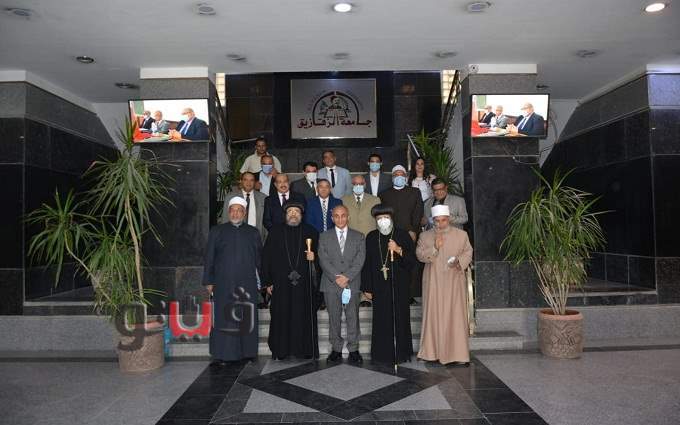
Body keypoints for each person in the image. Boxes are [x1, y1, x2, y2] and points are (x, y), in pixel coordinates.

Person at [203, 197, 262, 364]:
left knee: (247, 315)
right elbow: (209, 257)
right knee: (225, 317)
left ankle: (248, 352)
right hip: (223, 282)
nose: (236, 213)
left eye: (239, 210)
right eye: (233, 210)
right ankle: (224, 353)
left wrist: (263, 281)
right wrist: (208, 281)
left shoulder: (253, 232)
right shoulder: (217, 231)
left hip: (247, 282)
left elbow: (259, 259)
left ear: (244, 213)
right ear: (228, 212)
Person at [416, 205, 473, 365]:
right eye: (437, 220)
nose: (440, 224)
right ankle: (431, 353)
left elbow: (468, 252)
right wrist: (435, 248)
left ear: (449, 219)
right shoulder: (425, 236)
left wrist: (458, 261)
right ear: (433, 220)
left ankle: (458, 355)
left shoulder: (461, 235)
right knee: (432, 315)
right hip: (433, 282)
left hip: (454, 281)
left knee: (455, 316)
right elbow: (420, 255)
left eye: (443, 220)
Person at [262, 201, 320, 360]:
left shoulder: (311, 232)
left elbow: (321, 259)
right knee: (282, 316)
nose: (293, 214)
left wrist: (314, 258)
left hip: (304, 285)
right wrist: (268, 282)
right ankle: (281, 351)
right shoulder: (275, 232)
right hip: (281, 284)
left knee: (303, 316)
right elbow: (266, 258)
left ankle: (305, 350)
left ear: (301, 215)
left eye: (296, 211)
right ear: (285, 214)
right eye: (290, 211)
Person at [361, 205, 416, 364]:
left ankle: (401, 353)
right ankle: (381, 354)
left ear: (392, 219)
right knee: (381, 320)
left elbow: (412, 262)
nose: (383, 221)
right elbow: (367, 264)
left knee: (400, 318)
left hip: (399, 285)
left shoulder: (402, 235)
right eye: (379, 218)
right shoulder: (371, 237)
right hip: (378, 286)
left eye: (386, 218)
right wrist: (367, 287)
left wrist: (398, 250)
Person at [318, 205, 366, 364]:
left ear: (348, 217)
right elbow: (323, 259)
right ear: (332, 218)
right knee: (334, 317)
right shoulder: (324, 236)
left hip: (352, 282)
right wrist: (337, 277)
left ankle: (354, 349)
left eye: (343, 215)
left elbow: (360, 260)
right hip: (331, 284)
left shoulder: (359, 236)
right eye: (336, 216)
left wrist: (347, 277)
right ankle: (336, 349)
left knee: (353, 316)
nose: (340, 219)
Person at [380, 165, 424, 304]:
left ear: (406, 177)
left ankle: (410, 294)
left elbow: (418, 212)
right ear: (392, 177)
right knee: (393, 263)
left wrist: (413, 230)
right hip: (391, 233)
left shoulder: (414, 192)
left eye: (402, 174)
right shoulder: (384, 194)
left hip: (409, 233)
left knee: (410, 262)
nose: (399, 177)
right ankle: (393, 291)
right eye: (396, 175)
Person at [343, 175, 381, 308]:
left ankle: (366, 297)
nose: (358, 186)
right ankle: (352, 295)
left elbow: (378, 220)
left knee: (368, 268)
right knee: (351, 268)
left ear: (365, 184)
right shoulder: (344, 200)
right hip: (350, 240)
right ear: (351, 185)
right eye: (355, 183)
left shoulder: (375, 200)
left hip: (369, 239)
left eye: (360, 183)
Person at [222, 172, 267, 241]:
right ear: (241, 181)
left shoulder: (263, 198)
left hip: (256, 237)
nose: (248, 183)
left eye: (251, 180)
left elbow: (266, 221)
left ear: (255, 182)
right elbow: (225, 218)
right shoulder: (230, 197)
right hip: (236, 236)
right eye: (245, 180)